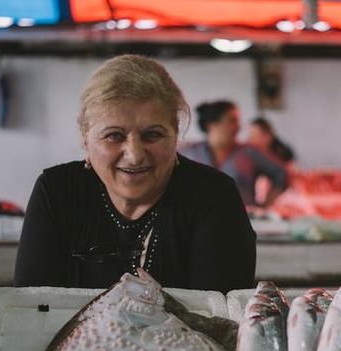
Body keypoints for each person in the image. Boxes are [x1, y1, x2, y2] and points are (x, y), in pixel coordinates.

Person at [14, 55, 256, 293]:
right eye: (114, 135)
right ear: (85, 139)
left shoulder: (214, 196)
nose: (135, 155)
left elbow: (221, 313)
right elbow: (29, 305)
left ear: (175, 136)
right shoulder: (57, 192)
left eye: (152, 135)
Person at [180, 100, 287, 208]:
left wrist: (265, 205)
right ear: (212, 125)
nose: (238, 127)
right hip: (200, 215)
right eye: (232, 121)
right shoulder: (190, 153)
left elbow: (280, 173)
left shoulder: (249, 152)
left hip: (242, 215)